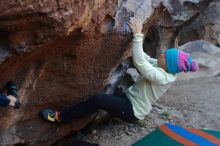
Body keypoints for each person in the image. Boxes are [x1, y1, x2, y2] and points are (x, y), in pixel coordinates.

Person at [40, 17, 199, 123]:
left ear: (169, 66)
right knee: (110, 94)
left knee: (99, 100)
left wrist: (138, 35)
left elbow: (141, 64)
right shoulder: (164, 67)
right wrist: (132, 44)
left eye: (165, 56)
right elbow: (144, 57)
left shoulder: (162, 77)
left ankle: (60, 117)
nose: (162, 54)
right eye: (164, 53)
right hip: (128, 98)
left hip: (132, 111)